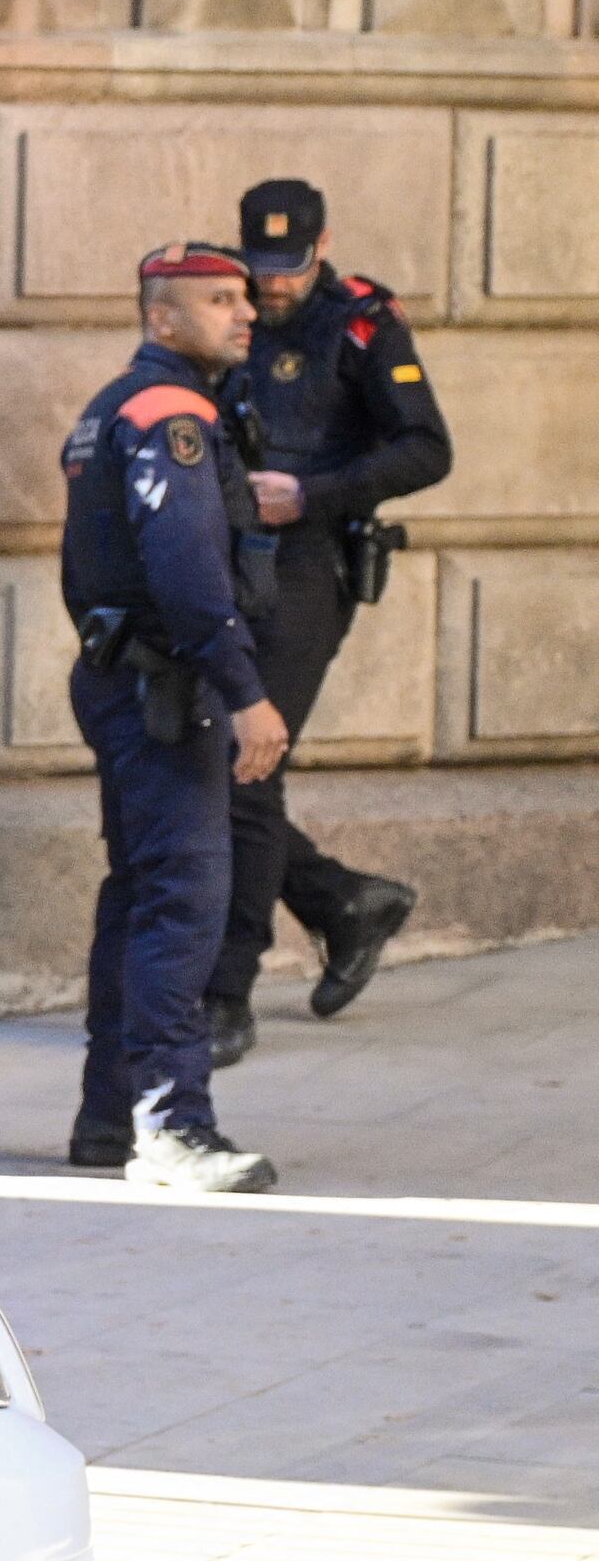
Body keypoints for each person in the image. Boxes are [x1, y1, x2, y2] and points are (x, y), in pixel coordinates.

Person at [200, 177, 451, 1056]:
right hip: (225, 559)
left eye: (290, 267)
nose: (274, 287)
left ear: (322, 243)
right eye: (261, 267)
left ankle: (226, 992)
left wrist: (310, 493)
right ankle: (343, 901)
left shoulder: (361, 325)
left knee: (248, 760)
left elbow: (427, 447)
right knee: (214, 756)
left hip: (311, 565)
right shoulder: (219, 307)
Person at [61, 244, 289, 1191]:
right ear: (163, 316)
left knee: (139, 897)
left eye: (242, 297)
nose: (244, 313)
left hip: (131, 682)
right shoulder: (170, 414)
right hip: (170, 692)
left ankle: (110, 1121)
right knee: (184, 905)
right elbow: (190, 569)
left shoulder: (121, 405)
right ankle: (172, 1125)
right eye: (218, 299)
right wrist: (246, 691)